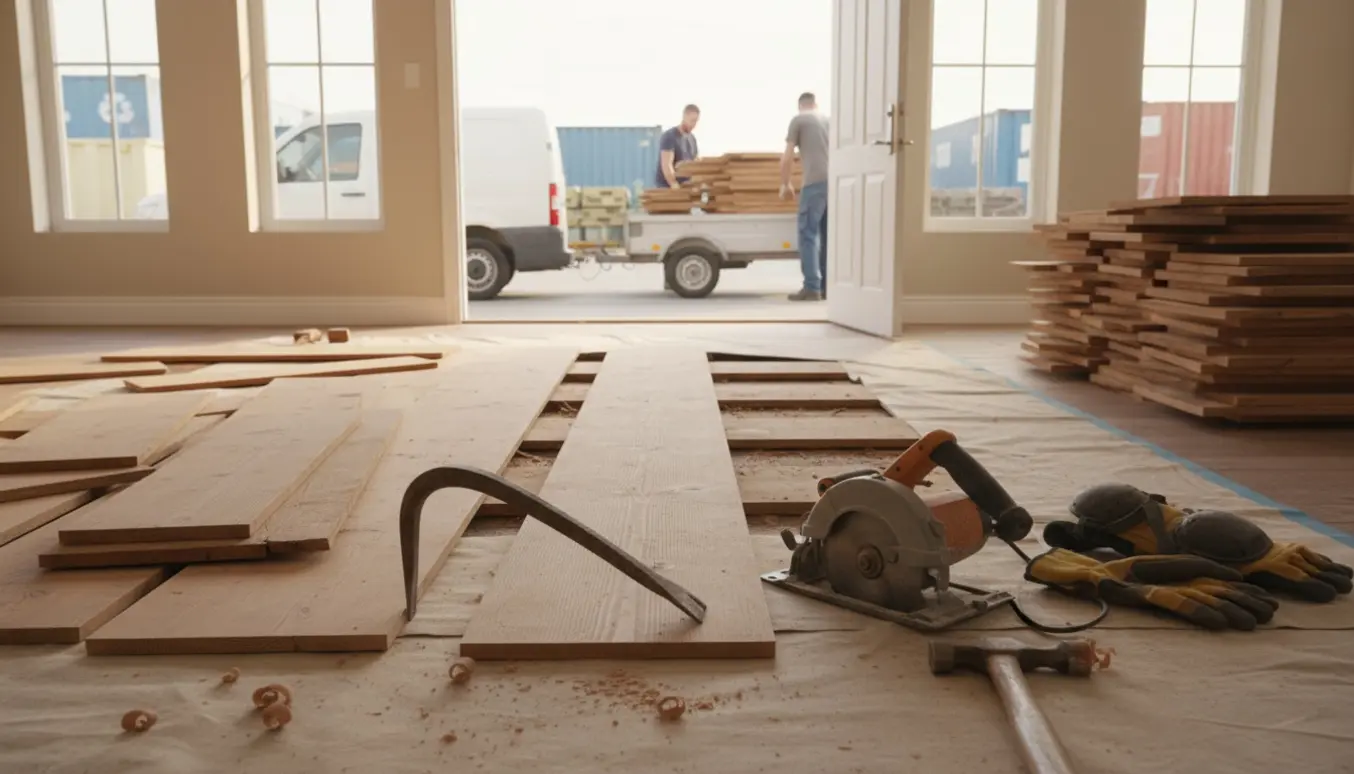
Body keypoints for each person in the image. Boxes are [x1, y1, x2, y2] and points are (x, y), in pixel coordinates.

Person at [780, 92, 830, 301]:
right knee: (827, 237)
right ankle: (827, 287)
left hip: (814, 184)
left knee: (808, 234)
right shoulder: (828, 121)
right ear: (815, 104)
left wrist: (786, 184)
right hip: (835, 183)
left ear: (800, 106)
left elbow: (787, 157)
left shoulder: (799, 120)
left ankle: (812, 287)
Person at [655, 104, 701, 188]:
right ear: (684, 116)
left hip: (686, 188)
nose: (694, 124)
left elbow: (695, 163)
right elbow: (667, 165)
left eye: (696, 121)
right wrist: (674, 184)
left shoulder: (692, 139)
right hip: (668, 189)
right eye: (692, 120)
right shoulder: (670, 136)